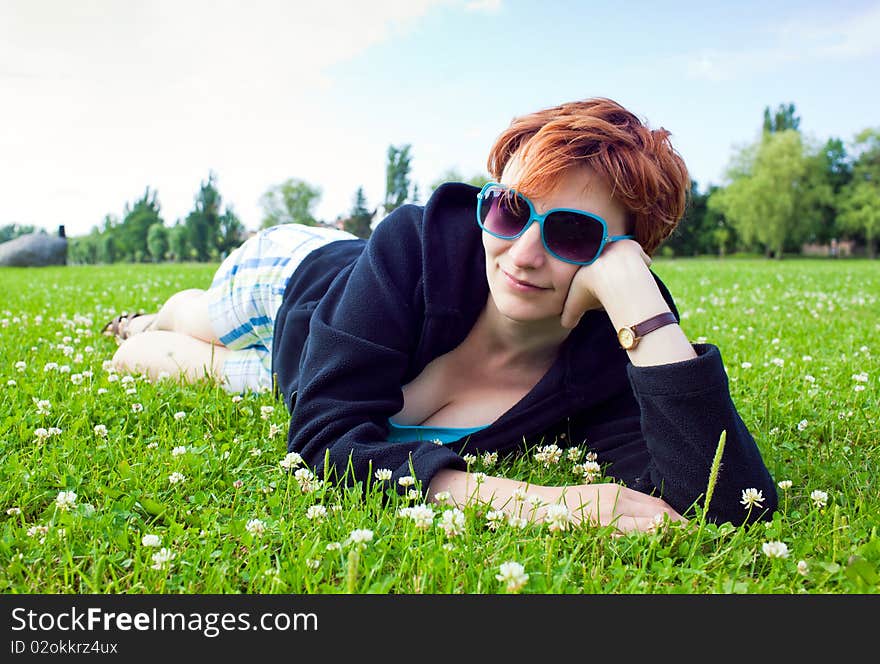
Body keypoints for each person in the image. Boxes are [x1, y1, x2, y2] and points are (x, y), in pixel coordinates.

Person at [107, 97, 778, 532]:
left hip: (310, 376)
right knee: (198, 316)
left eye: (573, 235)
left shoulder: (610, 350)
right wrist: (545, 504)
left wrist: (644, 307)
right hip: (293, 282)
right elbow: (320, 441)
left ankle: (138, 337)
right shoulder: (414, 245)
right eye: (511, 209)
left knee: (165, 367)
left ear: (623, 254)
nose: (522, 252)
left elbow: (728, 502)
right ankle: (151, 315)